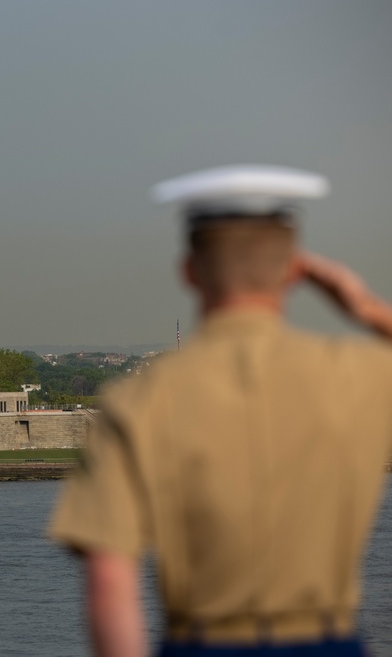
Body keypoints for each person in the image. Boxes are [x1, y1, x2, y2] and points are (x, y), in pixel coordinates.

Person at [48, 165, 392, 657]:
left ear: (188, 270)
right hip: (328, 640)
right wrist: (364, 306)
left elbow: (109, 584)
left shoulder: (139, 400)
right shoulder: (359, 375)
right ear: (295, 270)